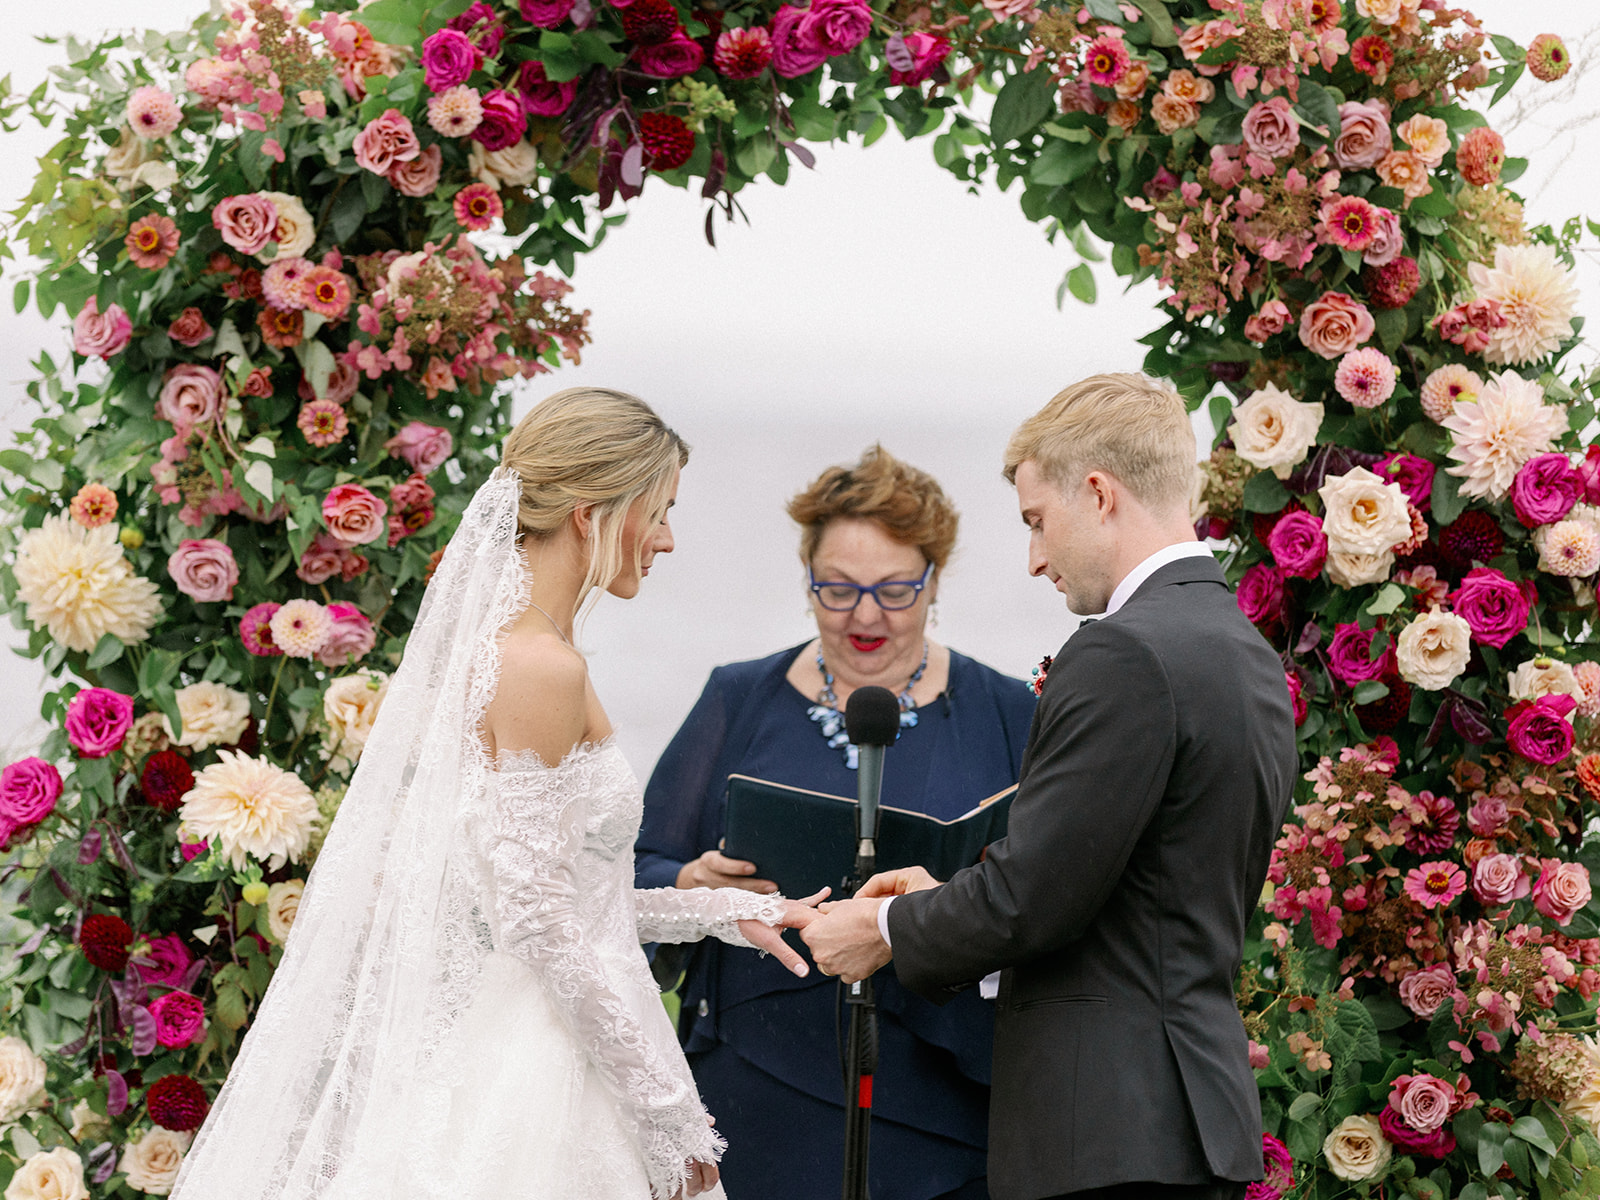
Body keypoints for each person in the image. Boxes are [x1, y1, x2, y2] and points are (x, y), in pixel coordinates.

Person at [172, 389, 823, 1200]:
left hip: (549, 1035)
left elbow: (570, 899)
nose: (666, 540)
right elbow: (539, 920)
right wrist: (666, 1115)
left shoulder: (527, 650)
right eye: (657, 512)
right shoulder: (539, 666)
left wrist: (727, 914)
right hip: (546, 1073)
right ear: (591, 513)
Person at [798, 374, 1298, 1200]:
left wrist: (885, 924)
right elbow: (1132, 893)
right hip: (1184, 1125)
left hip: (1107, 1137)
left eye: (1037, 521)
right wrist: (950, 894)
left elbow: (1033, 896)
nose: (1034, 558)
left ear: (1098, 494)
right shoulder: (1241, 649)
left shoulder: (1122, 654)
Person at [636, 446, 1037, 1200]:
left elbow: (1045, 891)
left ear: (934, 581)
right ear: (807, 580)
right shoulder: (739, 697)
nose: (863, 616)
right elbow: (641, 868)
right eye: (837, 589)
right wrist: (692, 881)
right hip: (757, 1076)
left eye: (893, 592)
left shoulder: (1009, 712)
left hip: (942, 1089)